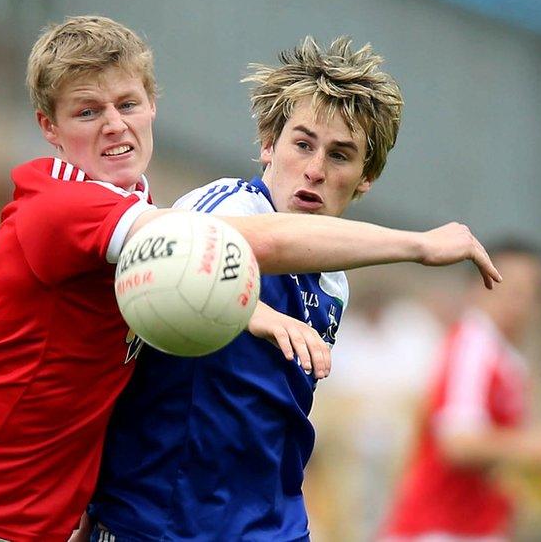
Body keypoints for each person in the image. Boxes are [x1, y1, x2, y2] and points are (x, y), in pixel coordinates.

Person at [0, 16, 499, 542]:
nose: (113, 124)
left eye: (127, 104)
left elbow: (181, 285)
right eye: (87, 111)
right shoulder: (81, 206)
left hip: (88, 526)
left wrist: (244, 310)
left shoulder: (151, 218)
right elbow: (231, 248)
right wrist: (417, 244)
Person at [87, 36, 406, 541]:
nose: (316, 169)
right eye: (302, 144)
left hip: (269, 527)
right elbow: (176, 266)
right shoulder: (227, 209)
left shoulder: (333, 283)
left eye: (341, 155)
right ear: (267, 144)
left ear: (366, 177)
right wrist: (256, 312)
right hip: (161, 522)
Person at [379, 239, 541, 541]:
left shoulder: (508, 362)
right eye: (507, 286)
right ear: (477, 286)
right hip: (437, 529)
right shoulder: (472, 347)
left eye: (530, 292)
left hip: (475, 528)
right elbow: (458, 443)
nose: (518, 301)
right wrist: (540, 446)